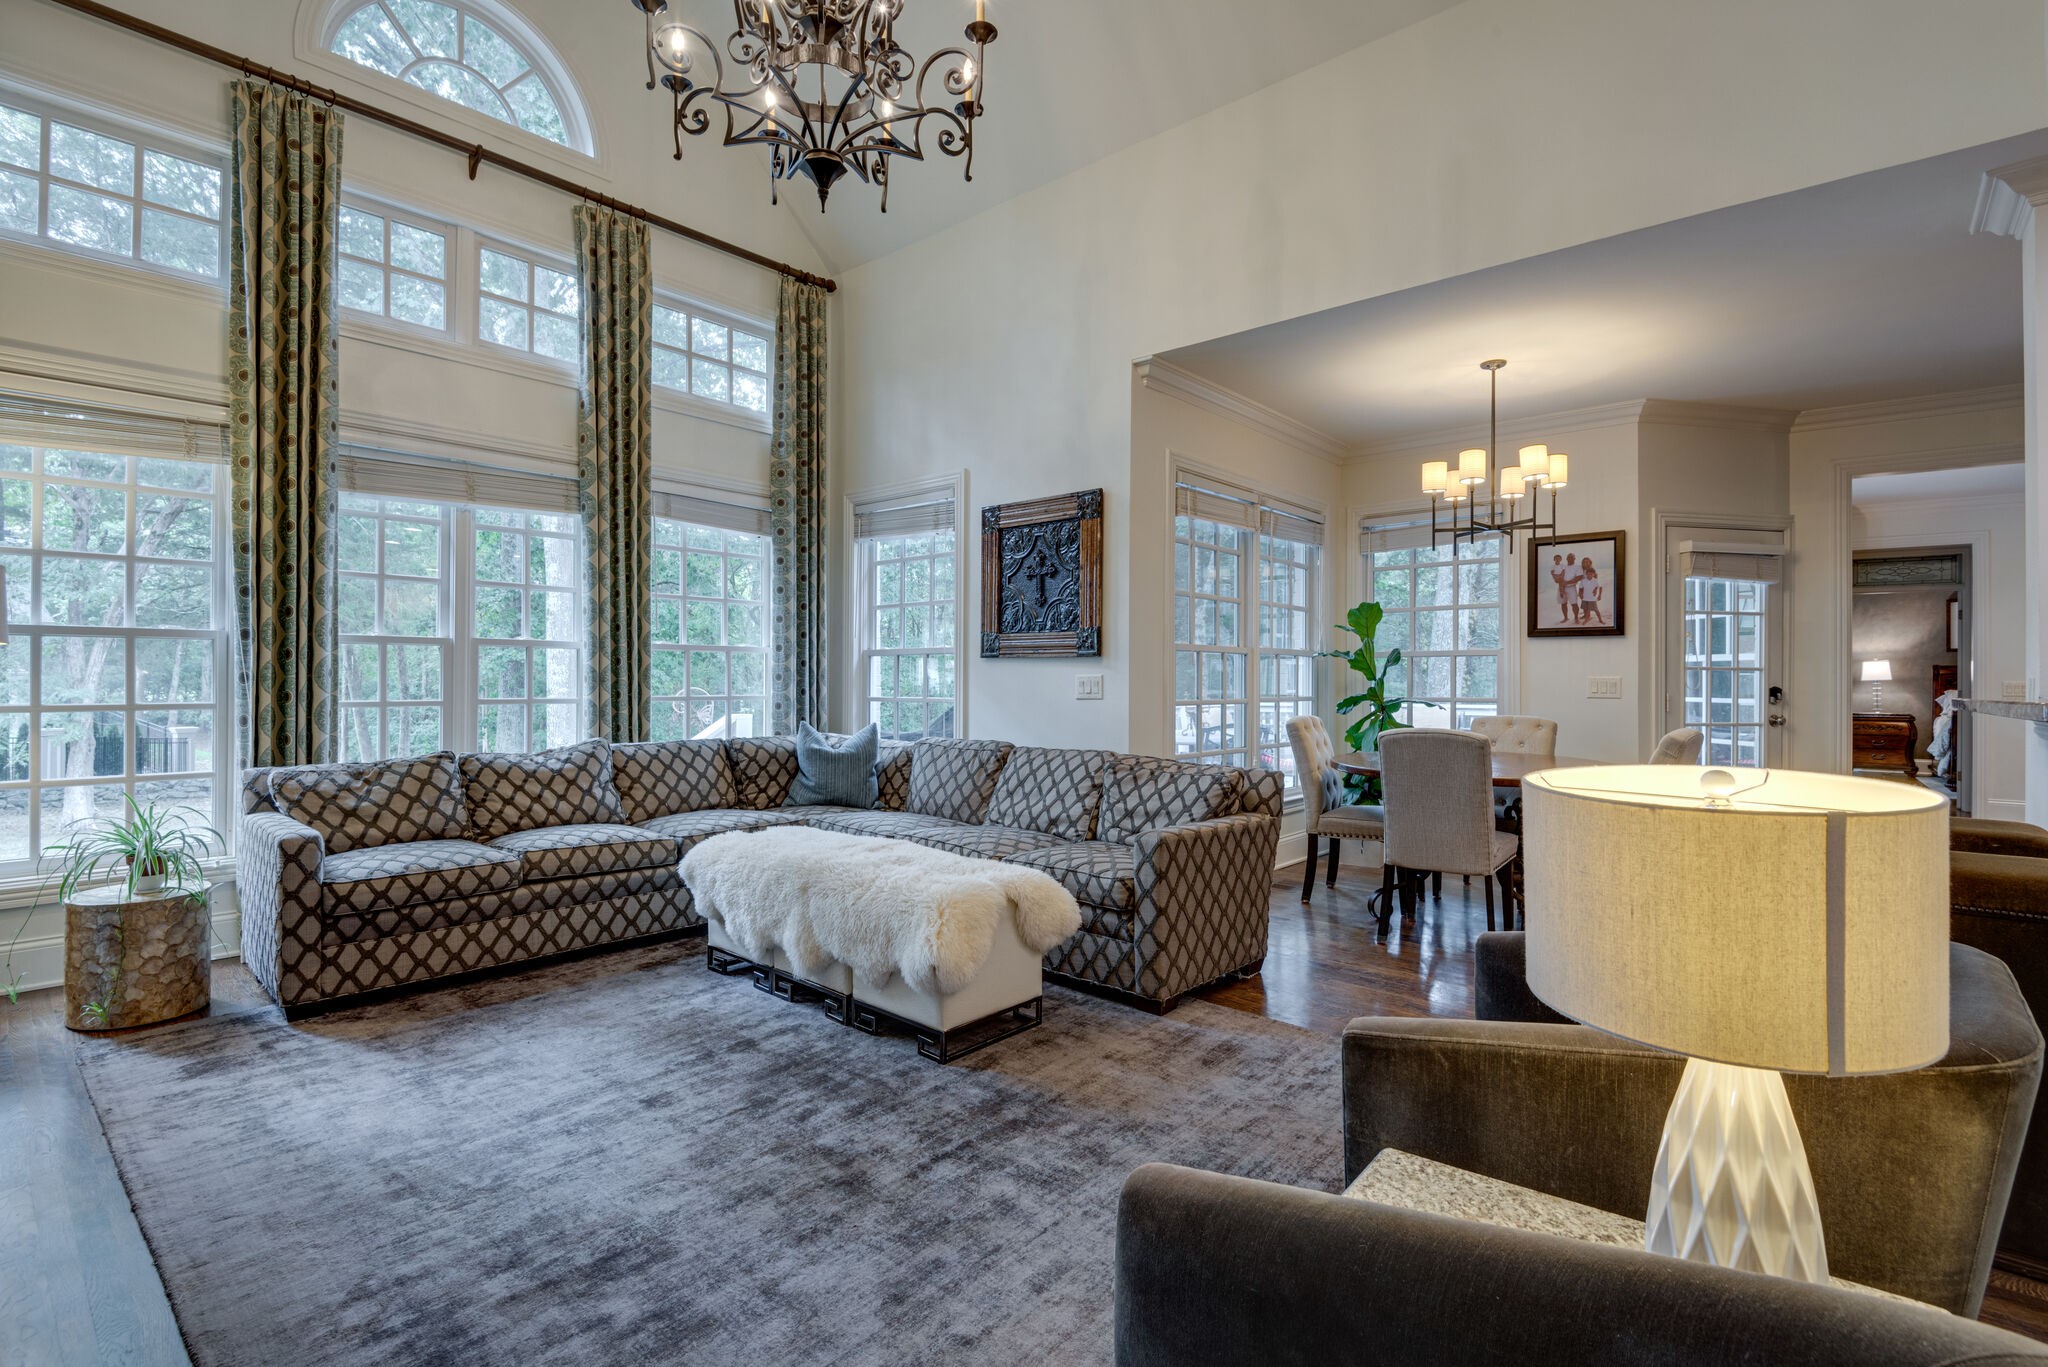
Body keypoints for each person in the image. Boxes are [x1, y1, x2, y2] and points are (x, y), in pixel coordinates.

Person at [1558, 553, 1584, 625]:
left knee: (1574, 604)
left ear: (1574, 558)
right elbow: (1560, 578)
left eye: (1572, 557)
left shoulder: (1578, 567)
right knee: (1563, 603)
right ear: (1566, 559)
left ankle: (1576, 618)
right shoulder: (1564, 567)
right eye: (1568, 557)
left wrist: (1566, 582)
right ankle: (1565, 618)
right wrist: (1561, 588)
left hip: (1571, 587)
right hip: (1562, 587)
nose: (1570, 558)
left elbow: (1579, 577)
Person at [1580, 558, 1605, 626]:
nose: (1585, 563)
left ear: (1590, 562)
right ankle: (1586, 616)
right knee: (1585, 606)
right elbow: (1581, 582)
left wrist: (1596, 590)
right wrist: (1580, 592)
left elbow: (1597, 583)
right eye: (1584, 562)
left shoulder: (1593, 571)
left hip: (1591, 592)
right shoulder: (1582, 570)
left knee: (1594, 608)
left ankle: (1591, 618)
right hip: (1585, 591)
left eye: (1587, 562)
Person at [1549, 554, 1569, 625]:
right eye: (1556, 558)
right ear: (1554, 559)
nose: (1557, 559)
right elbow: (1552, 573)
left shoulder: (1562, 565)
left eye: (1559, 558)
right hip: (1557, 577)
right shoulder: (1553, 566)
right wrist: (1556, 578)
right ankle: (1566, 617)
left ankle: (1561, 591)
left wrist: (1560, 577)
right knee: (1560, 584)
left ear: (1561, 559)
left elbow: (1563, 572)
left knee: (1561, 584)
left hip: (1562, 577)